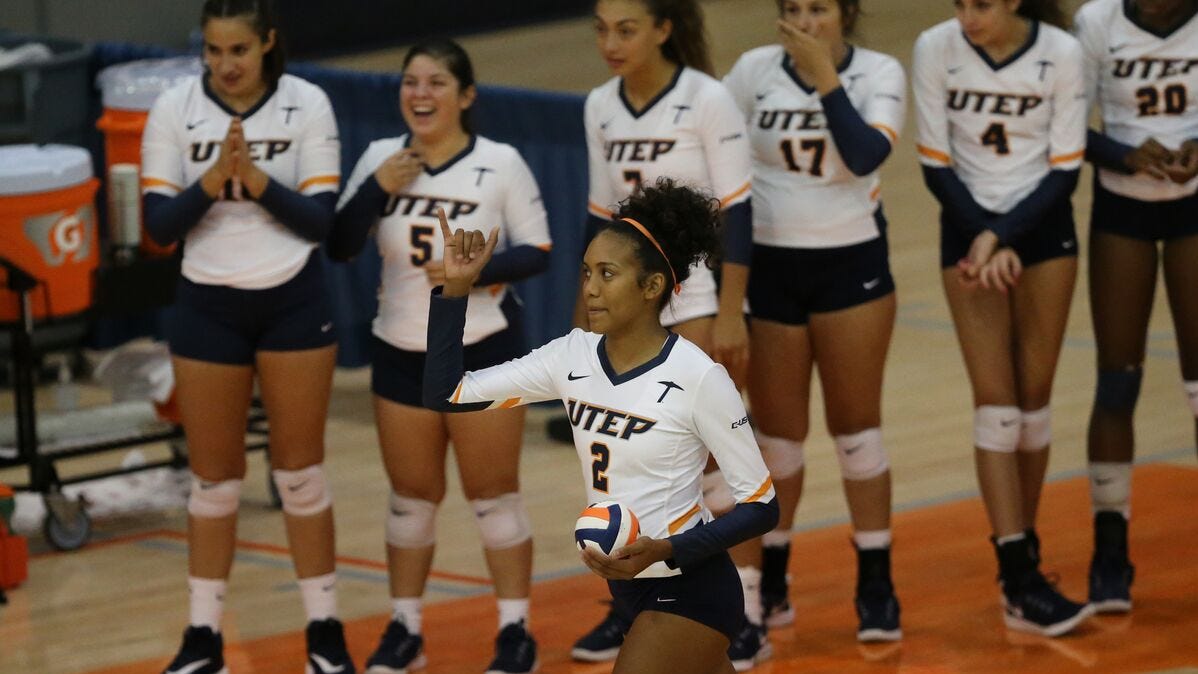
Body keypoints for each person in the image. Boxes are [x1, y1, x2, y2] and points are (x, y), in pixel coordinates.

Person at [424, 178, 779, 674]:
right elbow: (447, 393)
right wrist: (456, 289)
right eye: (587, 271)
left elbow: (761, 506)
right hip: (626, 586)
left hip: (690, 586)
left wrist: (668, 549)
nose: (589, 287)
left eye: (607, 273)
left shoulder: (698, 377)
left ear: (652, 286)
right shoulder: (571, 356)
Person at [329, 39, 552, 674]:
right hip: (400, 348)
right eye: (410, 82)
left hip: (481, 348)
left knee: (494, 498)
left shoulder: (500, 163)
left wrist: (476, 271)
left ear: (466, 95)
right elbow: (340, 244)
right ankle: (406, 628)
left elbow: (538, 250)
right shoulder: (382, 157)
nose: (420, 94)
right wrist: (377, 187)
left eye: (435, 83)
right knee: (410, 499)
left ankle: (516, 633)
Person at [141, 1, 350, 672]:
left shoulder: (306, 103)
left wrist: (255, 180)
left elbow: (321, 222)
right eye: (213, 51)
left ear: (266, 44)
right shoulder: (174, 109)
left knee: (301, 476)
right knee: (215, 484)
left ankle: (324, 632)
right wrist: (210, 180)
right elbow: (159, 227)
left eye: (238, 50)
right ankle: (203, 637)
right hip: (207, 305)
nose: (225, 65)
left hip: (293, 299)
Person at [577, 0, 759, 664]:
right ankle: (637, 607)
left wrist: (733, 310)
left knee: (710, 466)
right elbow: (600, 218)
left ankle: (750, 606)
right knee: (628, 463)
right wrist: (583, 322)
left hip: (697, 298)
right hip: (624, 309)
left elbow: (737, 210)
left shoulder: (706, 98)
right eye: (601, 29)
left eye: (626, 28)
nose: (611, 42)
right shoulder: (599, 104)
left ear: (663, 29)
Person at [722, 0, 905, 643]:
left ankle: (876, 582)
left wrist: (824, 74)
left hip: (850, 263)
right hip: (771, 267)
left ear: (847, 14)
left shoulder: (879, 71)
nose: (805, 20)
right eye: (793, 8)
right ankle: (773, 577)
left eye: (820, 9)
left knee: (857, 433)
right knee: (779, 441)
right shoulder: (751, 71)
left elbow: (862, 156)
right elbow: (718, 166)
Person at [913, 0, 1094, 636]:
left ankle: (1025, 548)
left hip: (1043, 232)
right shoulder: (936, 47)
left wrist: (1006, 235)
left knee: (1034, 403)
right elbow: (936, 165)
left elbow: (1065, 167)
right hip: (965, 226)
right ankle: (1016, 574)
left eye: (982, 5)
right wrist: (984, 236)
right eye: (958, 3)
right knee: (997, 405)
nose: (968, 16)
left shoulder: (1061, 53)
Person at [1073, 0, 1198, 613]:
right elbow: (1067, 123)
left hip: (1192, 207)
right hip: (1122, 206)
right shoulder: (1098, 23)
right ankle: (1110, 549)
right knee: (1118, 381)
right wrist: (1125, 154)